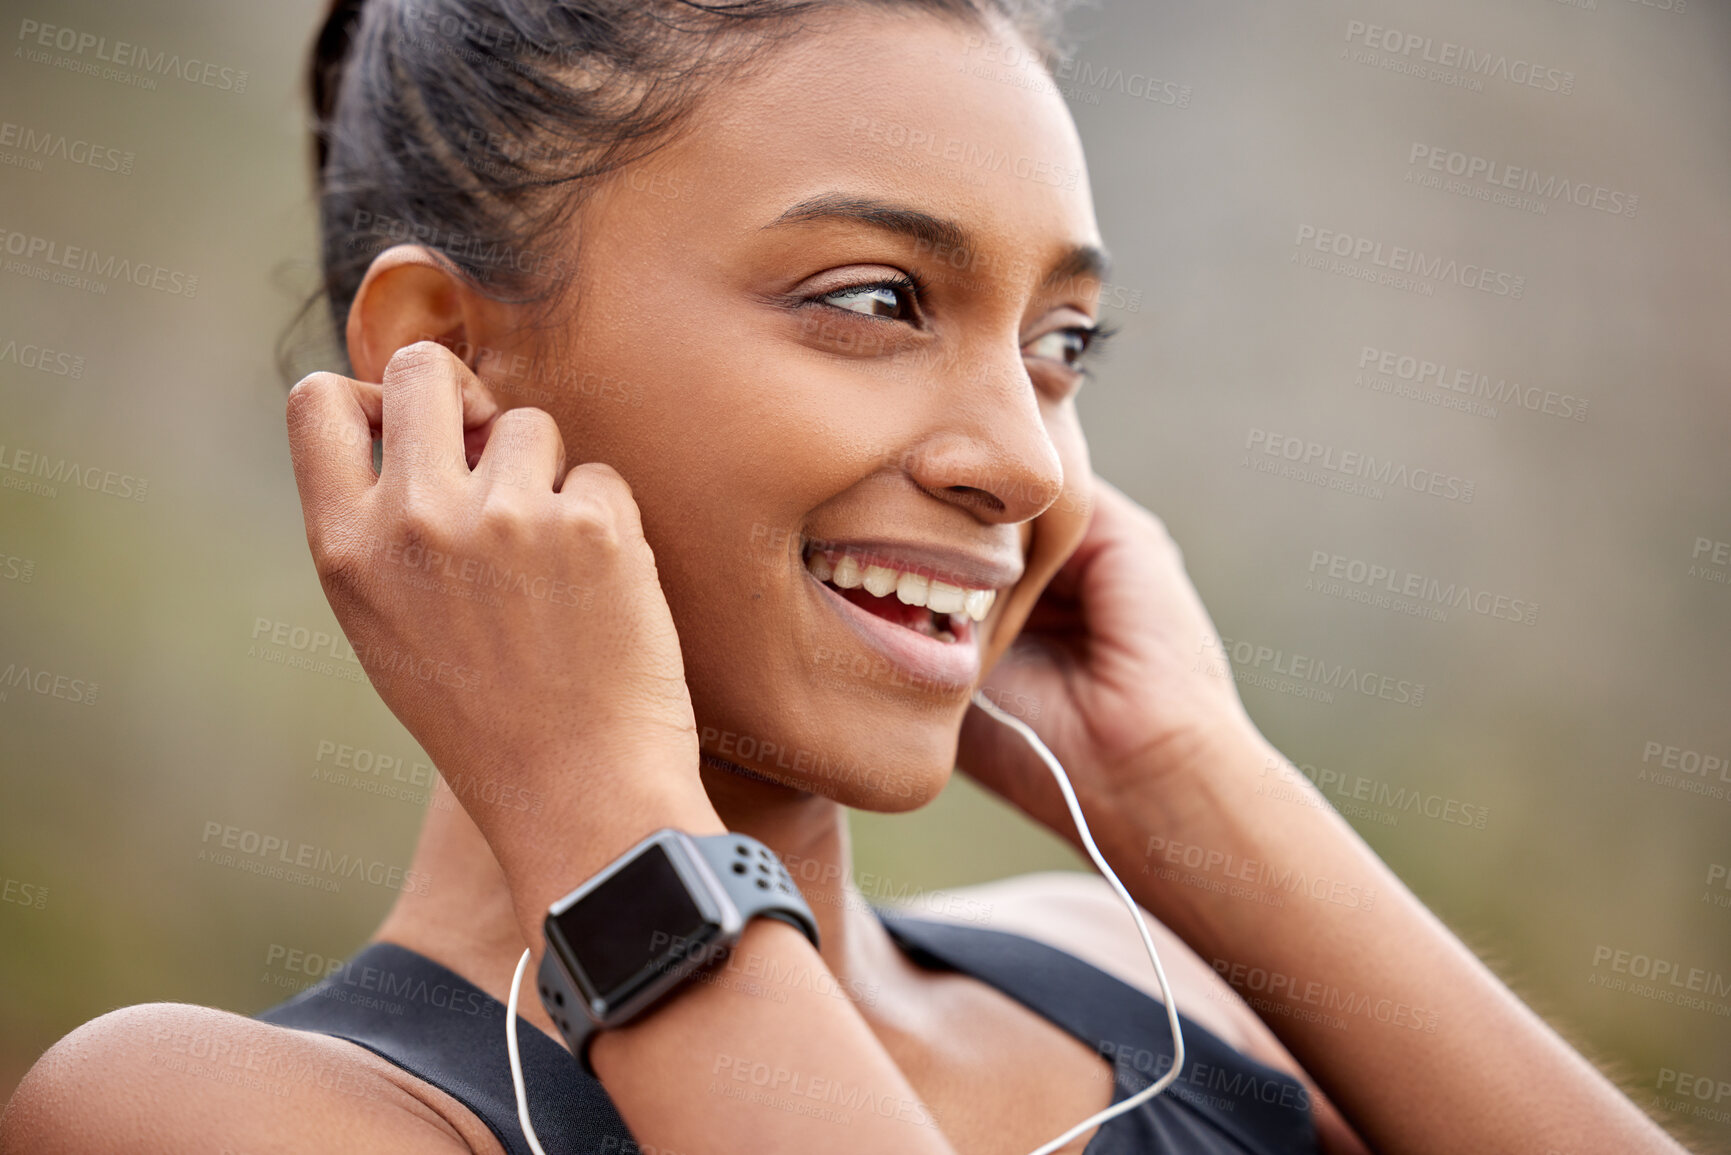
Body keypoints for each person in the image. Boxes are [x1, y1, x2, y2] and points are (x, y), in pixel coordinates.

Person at [0, 1, 1693, 1152]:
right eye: (877, 301)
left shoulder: (1153, 993)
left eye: (1062, 343)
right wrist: (609, 824)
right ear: (451, 365)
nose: (1025, 460)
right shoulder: (224, 1114)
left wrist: (1193, 793)